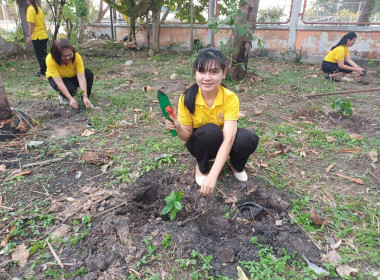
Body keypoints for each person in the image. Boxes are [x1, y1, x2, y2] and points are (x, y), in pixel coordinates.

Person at [165, 48, 259, 195]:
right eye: (202, 71)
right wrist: (177, 128)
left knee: (248, 138)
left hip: (222, 141)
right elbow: (187, 136)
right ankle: (202, 167)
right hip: (201, 143)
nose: (207, 78)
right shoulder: (186, 99)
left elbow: (229, 138)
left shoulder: (230, 98)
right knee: (210, 131)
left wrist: (214, 175)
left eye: (214, 72)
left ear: (224, 73)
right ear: (195, 73)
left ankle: (236, 165)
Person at [46, 38, 94, 109]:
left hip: (72, 76)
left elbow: (81, 77)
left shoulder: (77, 57)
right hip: (58, 79)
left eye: (70, 54)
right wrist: (70, 98)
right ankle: (63, 97)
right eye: (64, 56)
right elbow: (59, 82)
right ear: (57, 55)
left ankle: (85, 100)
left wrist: (85, 96)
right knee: (71, 89)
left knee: (88, 74)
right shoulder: (50, 59)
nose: (68, 57)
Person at [26, 0, 48, 77]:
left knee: (40, 55)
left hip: (38, 36)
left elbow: (31, 23)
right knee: (44, 55)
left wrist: (29, 35)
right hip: (43, 35)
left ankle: (43, 71)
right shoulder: (38, 8)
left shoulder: (30, 9)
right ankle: (46, 70)